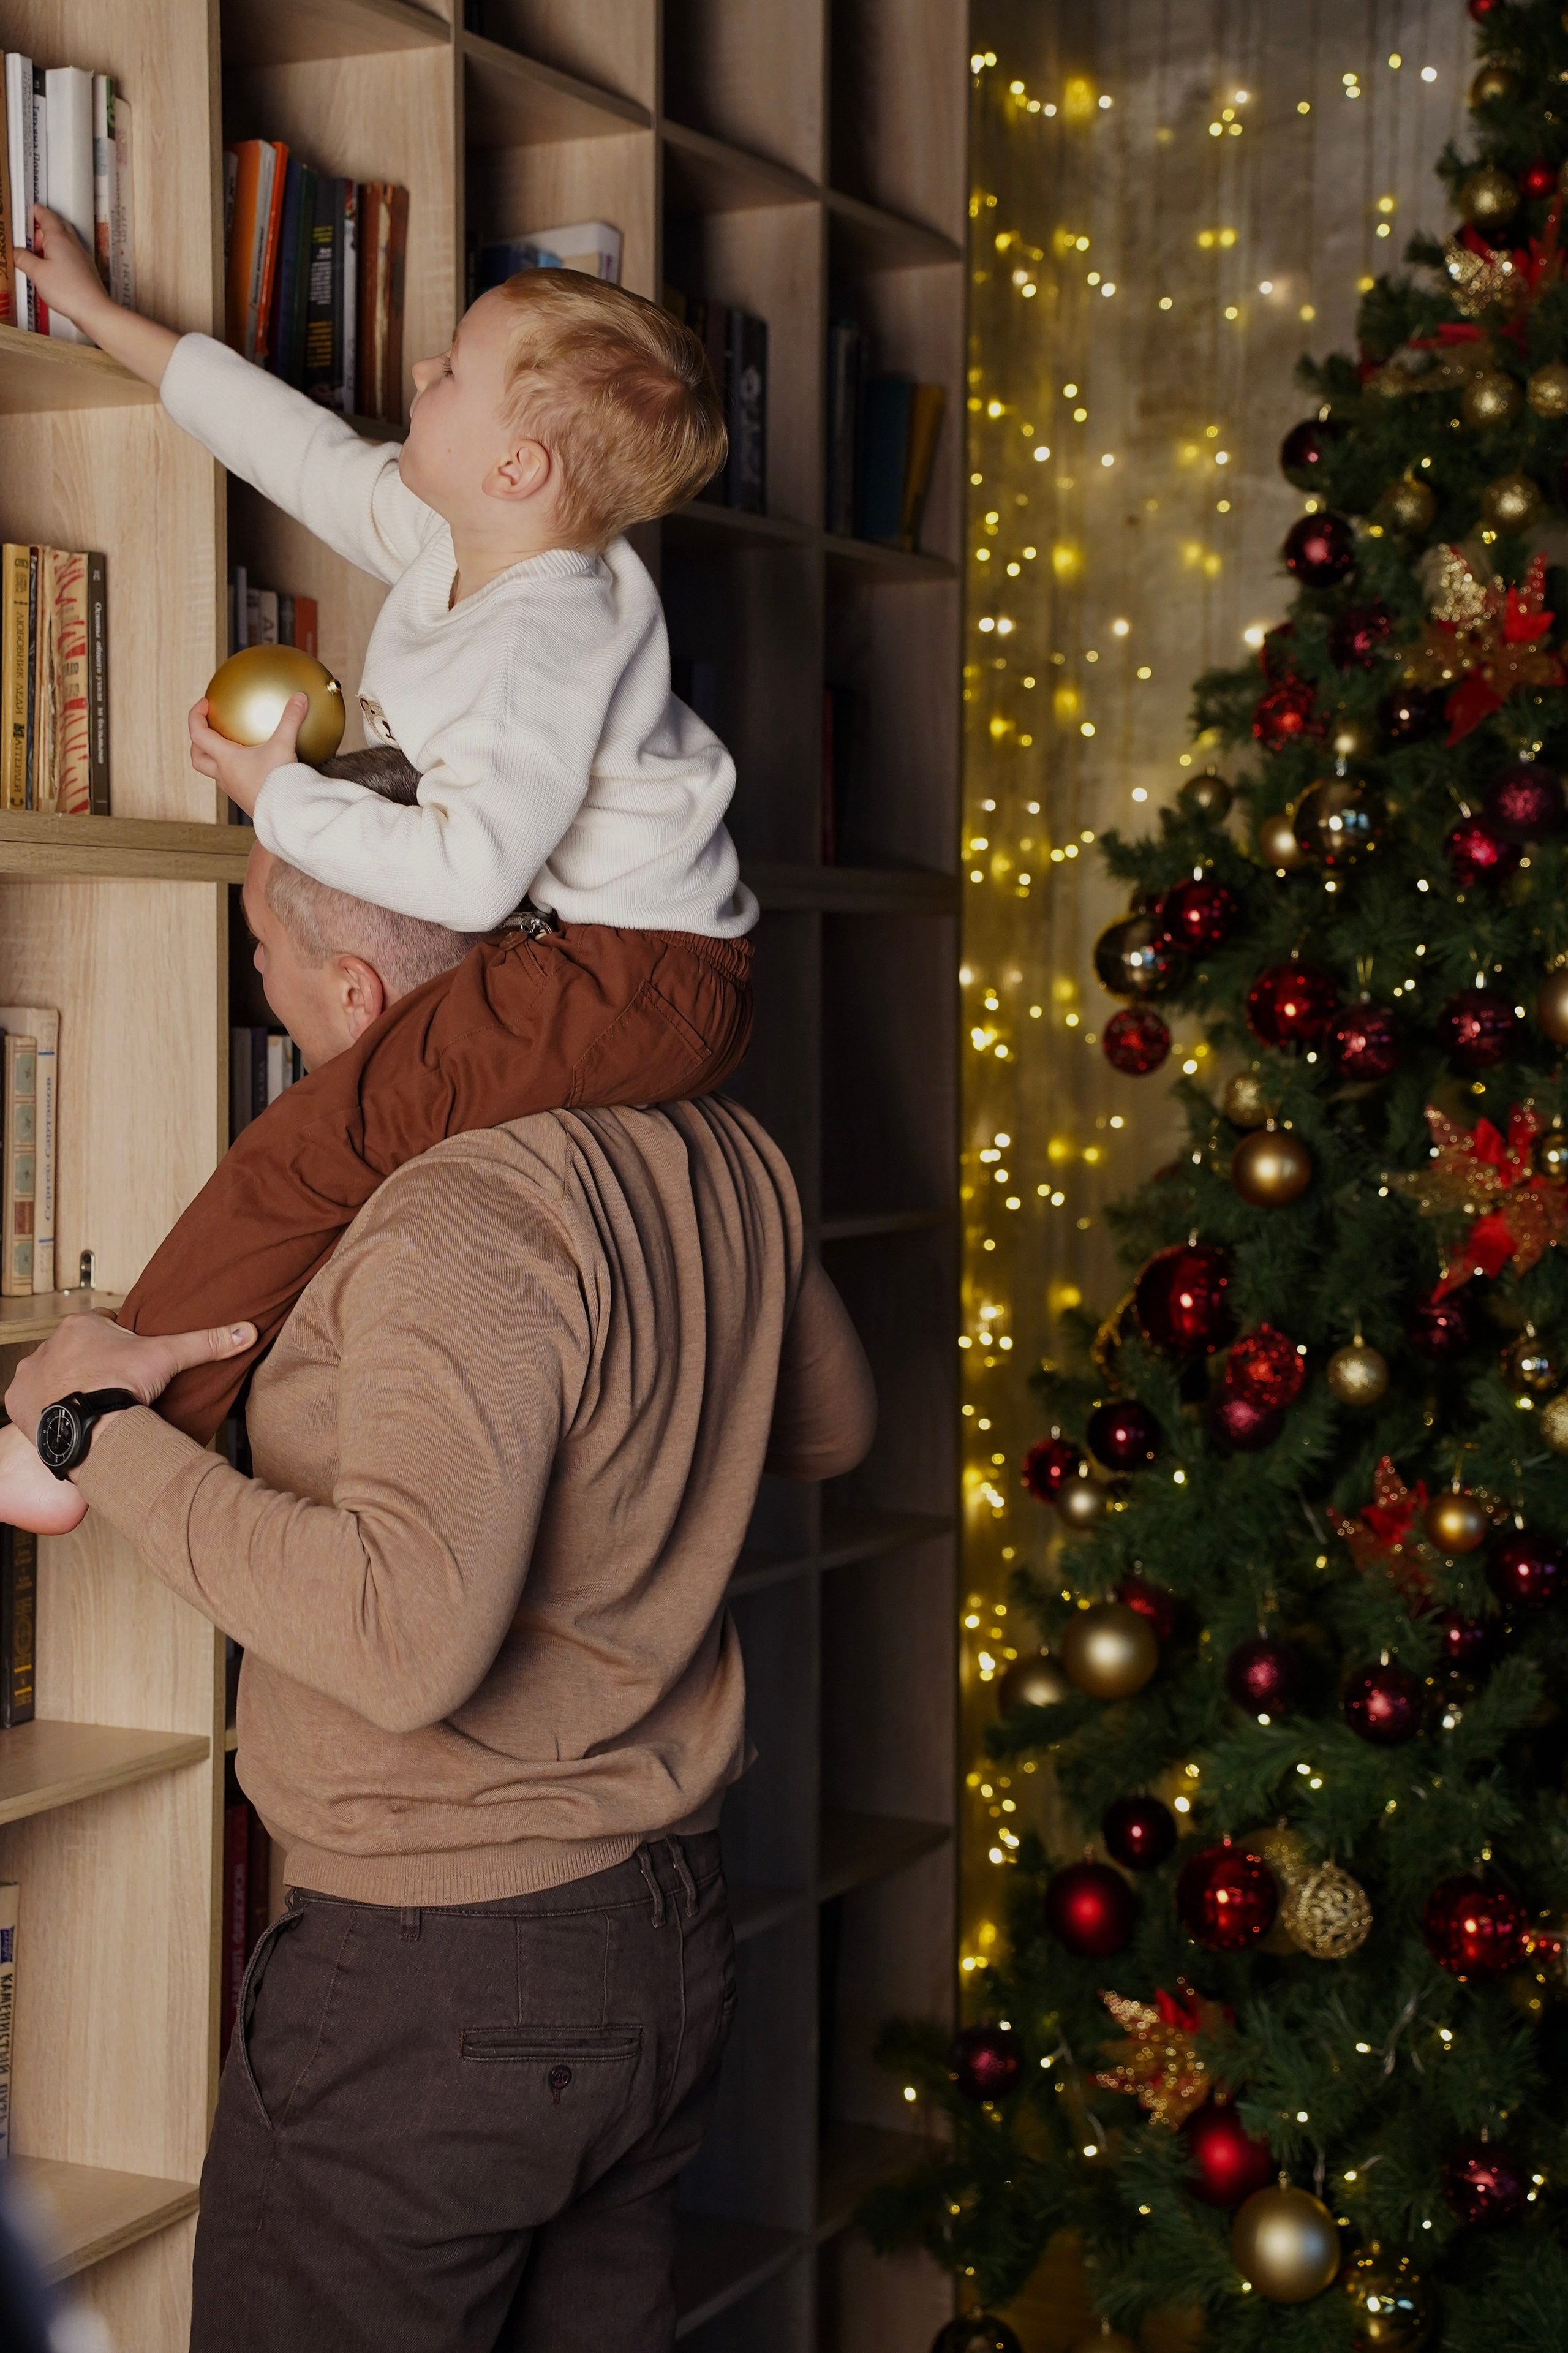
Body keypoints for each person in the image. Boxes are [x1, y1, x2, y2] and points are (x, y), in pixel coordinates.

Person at [4, 831, 876, 2352]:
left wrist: (96, 1434)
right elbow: (829, 1426)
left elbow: (405, 1641)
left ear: (353, 993)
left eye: (262, 961)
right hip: (662, 1924)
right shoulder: (718, 1148)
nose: (263, 989)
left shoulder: (451, 1212)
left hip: (447, 1966)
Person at [7, 205, 758, 1461]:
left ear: (516, 469)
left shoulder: (535, 641)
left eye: (451, 369)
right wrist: (97, 314)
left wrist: (280, 800)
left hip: (640, 975)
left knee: (324, 1137)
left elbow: (467, 876)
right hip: (589, 949)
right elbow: (293, 448)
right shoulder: (462, 539)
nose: (419, 370)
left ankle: (94, 1427)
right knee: (355, 1128)